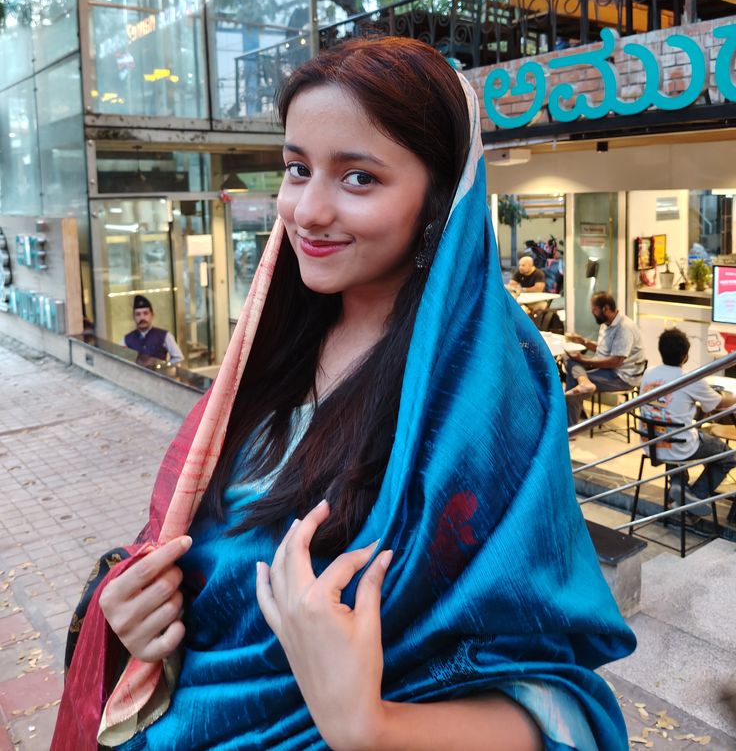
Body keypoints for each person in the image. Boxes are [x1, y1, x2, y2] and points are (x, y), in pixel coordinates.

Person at [53, 38, 634, 751]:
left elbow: (548, 689)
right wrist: (138, 620)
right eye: (297, 168)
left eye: (359, 177)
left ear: (439, 197)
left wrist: (371, 724)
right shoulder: (270, 346)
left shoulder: (489, 382)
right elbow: (199, 556)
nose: (308, 210)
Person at [639, 328, 736, 515]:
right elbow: (716, 403)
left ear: (661, 350)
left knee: (680, 433)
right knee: (728, 457)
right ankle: (693, 496)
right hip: (677, 446)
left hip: (651, 442)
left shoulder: (648, 374)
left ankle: (678, 484)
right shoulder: (690, 379)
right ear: (685, 356)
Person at [564, 291, 646, 430]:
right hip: (609, 368)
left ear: (606, 308)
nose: (592, 312)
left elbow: (616, 361)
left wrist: (584, 360)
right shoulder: (606, 324)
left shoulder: (624, 328)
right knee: (568, 358)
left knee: (573, 375)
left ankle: (570, 428)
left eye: (594, 309)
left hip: (622, 376)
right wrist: (583, 342)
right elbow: (604, 349)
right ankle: (584, 383)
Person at [122, 295, 183, 366]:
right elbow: (120, 361)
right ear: (133, 317)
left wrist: (162, 366)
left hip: (158, 373)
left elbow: (178, 358)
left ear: (152, 315)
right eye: (138, 314)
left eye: (145, 313)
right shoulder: (126, 339)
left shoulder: (165, 336)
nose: (142, 318)